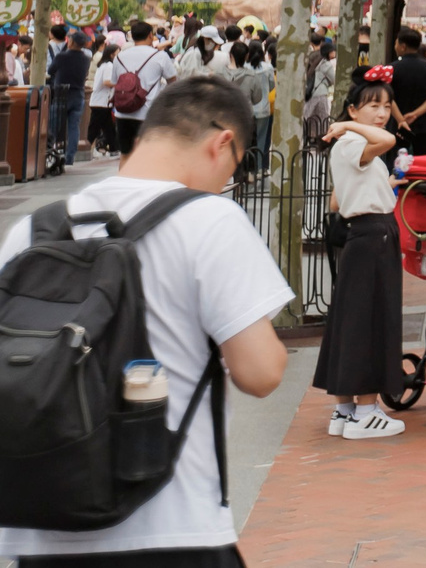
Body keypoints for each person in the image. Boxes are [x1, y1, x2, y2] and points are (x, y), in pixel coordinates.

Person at [0, 77, 291, 566]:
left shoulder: (35, 228)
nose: (227, 181)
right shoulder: (209, 219)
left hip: (40, 527)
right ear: (222, 142)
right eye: (235, 165)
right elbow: (260, 374)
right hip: (171, 526)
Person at [313, 66, 406, 440]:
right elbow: (386, 139)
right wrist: (351, 128)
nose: (381, 113)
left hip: (361, 234)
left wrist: (386, 183)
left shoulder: (347, 147)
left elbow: (339, 197)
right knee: (371, 320)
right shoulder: (353, 141)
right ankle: (366, 410)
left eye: (386, 105)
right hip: (373, 236)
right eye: (372, 106)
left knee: (350, 320)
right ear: (352, 110)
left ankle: (345, 409)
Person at [108, 22, 176, 156]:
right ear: (151, 35)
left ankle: (125, 177)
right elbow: (173, 82)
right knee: (149, 155)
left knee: (126, 155)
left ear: (132, 36)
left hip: (123, 113)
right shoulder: (160, 56)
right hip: (149, 113)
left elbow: (115, 83)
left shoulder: (120, 57)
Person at [387, 27, 426, 160]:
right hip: (424, 126)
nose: (395, 46)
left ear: (403, 46)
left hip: (397, 127)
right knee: (424, 163)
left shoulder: (392, 69)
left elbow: (388, 97)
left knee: (395, 164)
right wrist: (415, 114)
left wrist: (401, 120)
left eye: (396, 43)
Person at [43, 22, 89, 173]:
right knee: (73, 126)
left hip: (62, 94)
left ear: (72, 42)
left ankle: (48, 150)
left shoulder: (62, 57)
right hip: (79, 93)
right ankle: (70, 157)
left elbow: (51, 70)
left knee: (54, 124)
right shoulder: (85, 58)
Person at [233, 41, 276, 167]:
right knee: (262, 141)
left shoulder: (245, 67)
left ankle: (246, 168)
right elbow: (272, 85)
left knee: (246, 141)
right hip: (264, 109)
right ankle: (259, 169)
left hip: (247, 109)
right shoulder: (268, 68)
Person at [86, 34, 120, 156]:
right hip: (101, 102)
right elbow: (107, 82)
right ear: (111, 55)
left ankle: (114, 148)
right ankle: (86, 146)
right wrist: (119, 83)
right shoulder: (109, 66)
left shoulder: (103, 65)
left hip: (102, 101)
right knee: (95, 127)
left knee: (108, 127)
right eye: (117, 54)